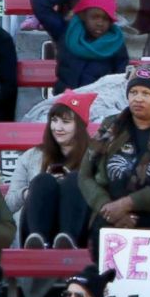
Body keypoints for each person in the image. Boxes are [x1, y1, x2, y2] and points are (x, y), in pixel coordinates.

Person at [77, 69, 150, 235]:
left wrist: (128, 204)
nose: (138, 98)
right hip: (108, 214)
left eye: (146, 93)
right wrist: (108, 208)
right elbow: (85, 175)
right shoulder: (110, 126)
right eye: (133, 92)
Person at [9, 90, 96, 255]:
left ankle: (67, 240)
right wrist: (28, 193)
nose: (58, 127)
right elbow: (8, 205)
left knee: (74, 181)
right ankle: (38, 241)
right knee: (43, 181)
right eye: (54, 120)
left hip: (80, 228)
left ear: (80, 125)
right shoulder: (31, 156)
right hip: (35, 225)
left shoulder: (95, 156)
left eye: (66, 122)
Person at [31, 0, 130, 95]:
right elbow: (39, 2)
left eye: (106, 19)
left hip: (100, 103)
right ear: (83, 16)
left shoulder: (115, 43)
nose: (100, 23)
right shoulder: (65, 31)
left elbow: (119, 80)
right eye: (94, 17)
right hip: (65, 101)